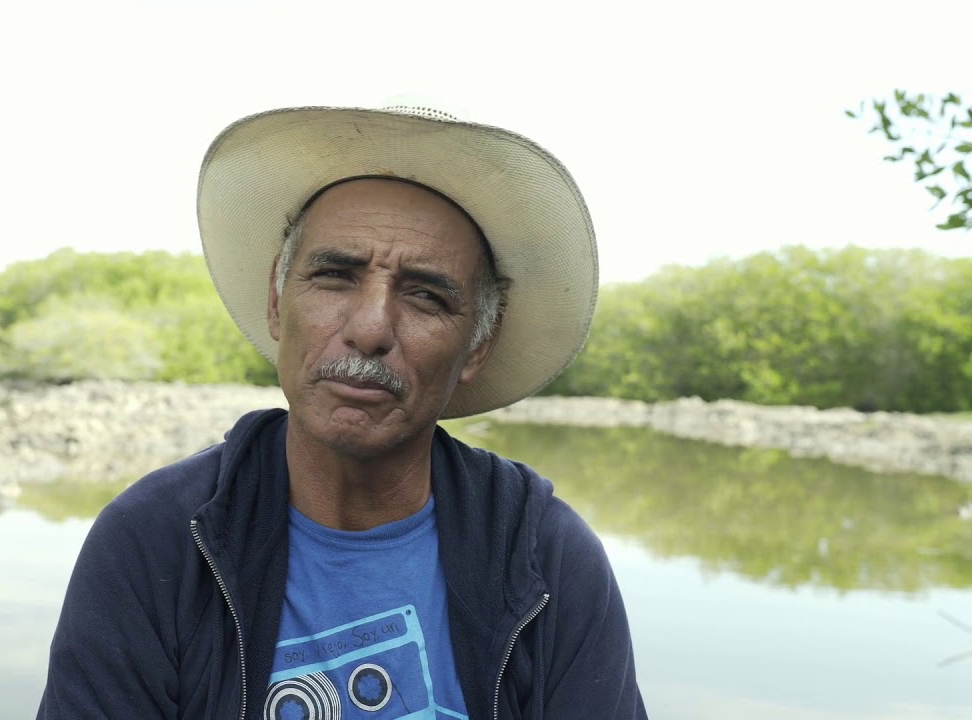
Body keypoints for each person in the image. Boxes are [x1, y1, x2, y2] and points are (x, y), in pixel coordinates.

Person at [37, 102, 647, 720]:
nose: (370, 327)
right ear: (278, 299)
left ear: (477, 345)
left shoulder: (542, 555)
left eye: (426, 296)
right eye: (335, 276)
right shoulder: (157, 541)